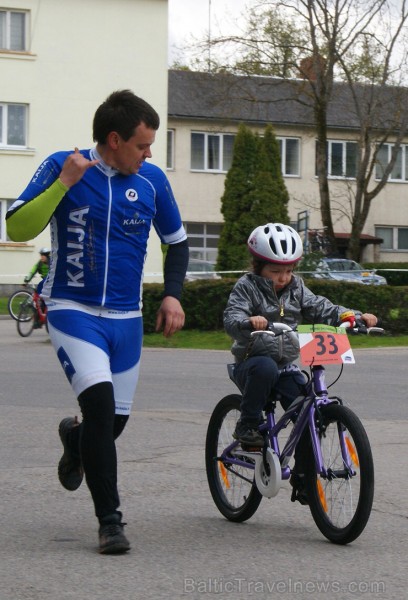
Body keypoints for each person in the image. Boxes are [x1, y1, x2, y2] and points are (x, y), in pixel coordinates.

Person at [6, 90, 189, 554]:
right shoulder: (61, 166)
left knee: (111, 426)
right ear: (114, 139)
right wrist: (63, 185)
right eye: (142, 145)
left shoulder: (151, 181)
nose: (148, 155)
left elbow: (177, 242)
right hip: (73, 309)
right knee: (102, 409)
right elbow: (16, 229)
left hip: (127, 317)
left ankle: (75, 436)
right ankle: (110, 522)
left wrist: (172, 295)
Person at [223, 223, 378, 498]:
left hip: (285, 367)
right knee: (265, 367)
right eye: (275, 271)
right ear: (258, 266)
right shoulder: (246, 287)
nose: (283, 277)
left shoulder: (297, 287)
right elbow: (232, 317)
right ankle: (247, 425)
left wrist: (351, 316)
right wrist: (248, 321)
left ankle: (304, 476)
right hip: (252, 363)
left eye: (289, 270)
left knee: (310, 410)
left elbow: (321, 307)